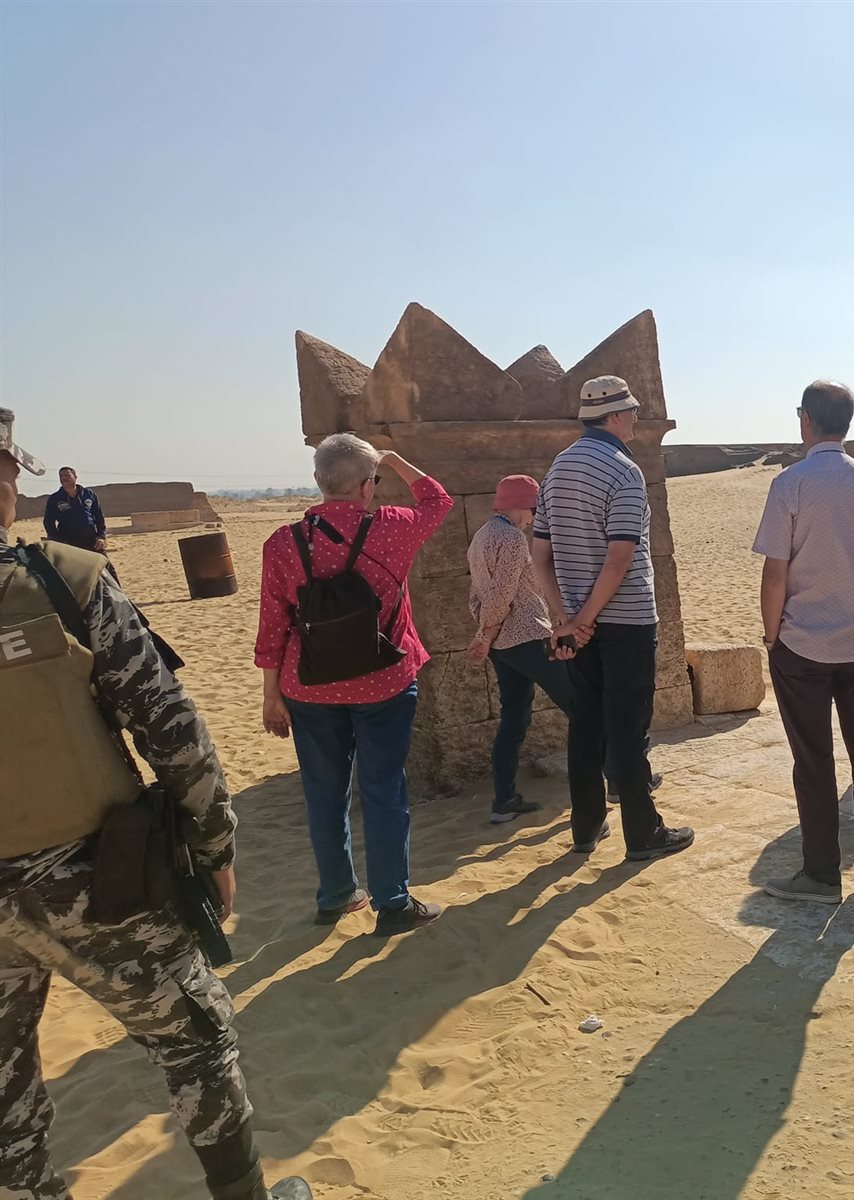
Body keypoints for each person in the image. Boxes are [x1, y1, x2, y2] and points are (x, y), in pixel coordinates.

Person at [0, 409, 312, 1200]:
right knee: (193, 1037)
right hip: (89, 878)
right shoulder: (61, 580)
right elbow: (169, 727)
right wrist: (213, 847)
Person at [256, 434, 451, 936]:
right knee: (384, 790)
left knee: (324, 792)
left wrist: (271, 695)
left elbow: (273, 624)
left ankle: (336, 895)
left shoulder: (282, 543)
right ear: (368, 486)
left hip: (309, 686)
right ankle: (392, 902)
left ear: (318, 481)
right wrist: (395, 458)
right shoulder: (393, 527)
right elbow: (438, 500)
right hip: (383, 681)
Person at [537, 376, 694, 863]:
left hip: (578, 625)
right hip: (625, 620)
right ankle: (643, 833)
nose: (637, 418)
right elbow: (619, 558)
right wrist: (585, 616)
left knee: (586, 722)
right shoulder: (623, 471)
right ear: (617, 416)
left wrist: (567, 618)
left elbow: (540, 555)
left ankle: (586, 827)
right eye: (633, 411)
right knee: (627, 726)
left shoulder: (557, 469)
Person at [753, 381, 854, 904]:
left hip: (802, 644)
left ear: (806, 419)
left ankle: (820, 874)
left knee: (813, 761)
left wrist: (772, 635)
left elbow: (775, 574)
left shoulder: (790, 484)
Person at [466, 474, 571, 825]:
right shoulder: (511, 538)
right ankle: (617, 780)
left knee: (513, 720)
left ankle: (504, 800)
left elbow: (477, 596)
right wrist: (485, 633)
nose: (534, 517)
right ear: (522, 505)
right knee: (582, 705)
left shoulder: (481, 536)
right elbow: (502, 595)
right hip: (526, 637)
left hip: (502, 646)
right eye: (534, 509)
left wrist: (486, 634)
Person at [42, 465, 108, 553]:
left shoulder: (89, 494)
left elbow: (99, 517)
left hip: (91, 540)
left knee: (103, 562)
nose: (64, 478)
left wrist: (101, 537)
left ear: (75, 477)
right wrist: (57, 540)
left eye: (67, 475)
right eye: (61, 476)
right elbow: (48, 522)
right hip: (68, 543)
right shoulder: (55, 498)